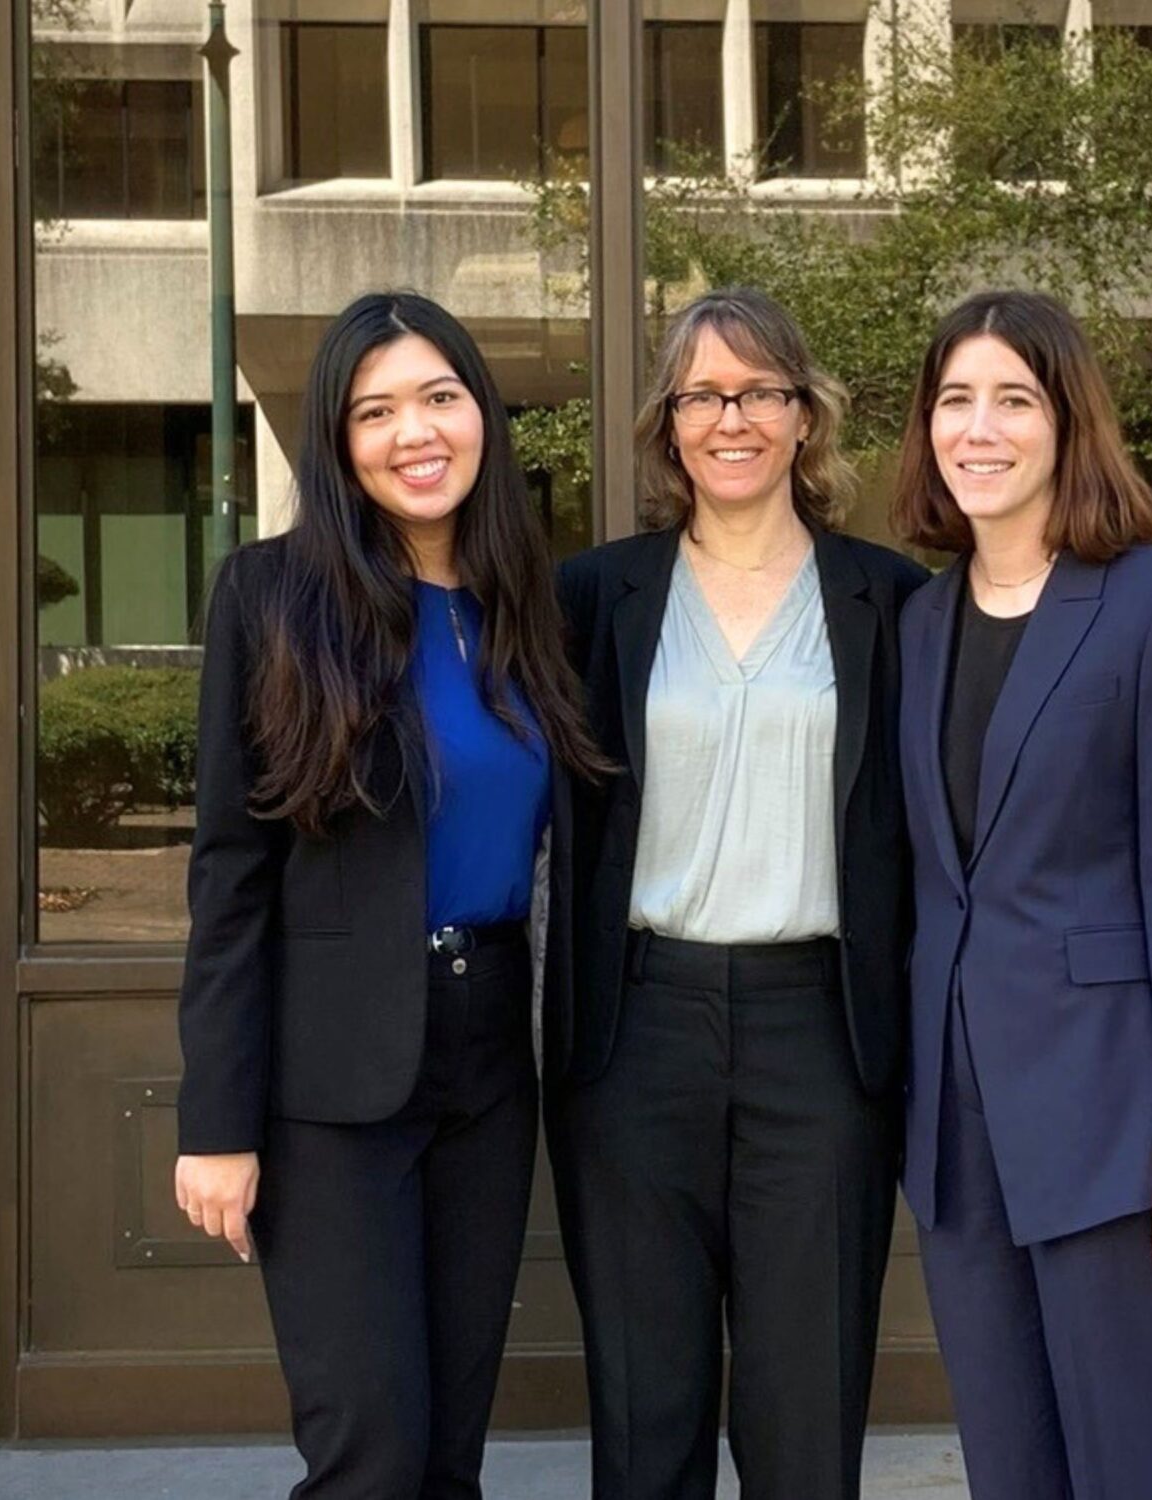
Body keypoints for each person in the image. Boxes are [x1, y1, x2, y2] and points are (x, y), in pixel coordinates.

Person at [172, 291, 603, 1500]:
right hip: (328, 1078)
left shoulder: (534, 610)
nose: (415, 433)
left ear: (482, 416)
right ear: (338, 441)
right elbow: (230, 871)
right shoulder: (269, 598)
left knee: (451, 1454)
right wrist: (217, 1118)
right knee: (372, 1452)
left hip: (484, 1064)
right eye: (376, 411)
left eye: (440, 398)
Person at [546, 287, 927, 1500]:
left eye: (761, 391)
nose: (733, 418)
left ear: (805, 418)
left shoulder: (895, 604)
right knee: (644, 1408)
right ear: (669, 424)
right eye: (704, 394)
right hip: (637, 1028)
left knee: (804, 1409)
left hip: (820, 1031)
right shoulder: (596, 598)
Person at [891, 289, 1152, 1500]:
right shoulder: (920, 621)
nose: (978, 429)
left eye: (1012, 399)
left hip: (1113, 1120)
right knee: (1011, 1470)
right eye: (955, 400)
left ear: (1066, 422)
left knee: (1135, 1469)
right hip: (960, 1129)